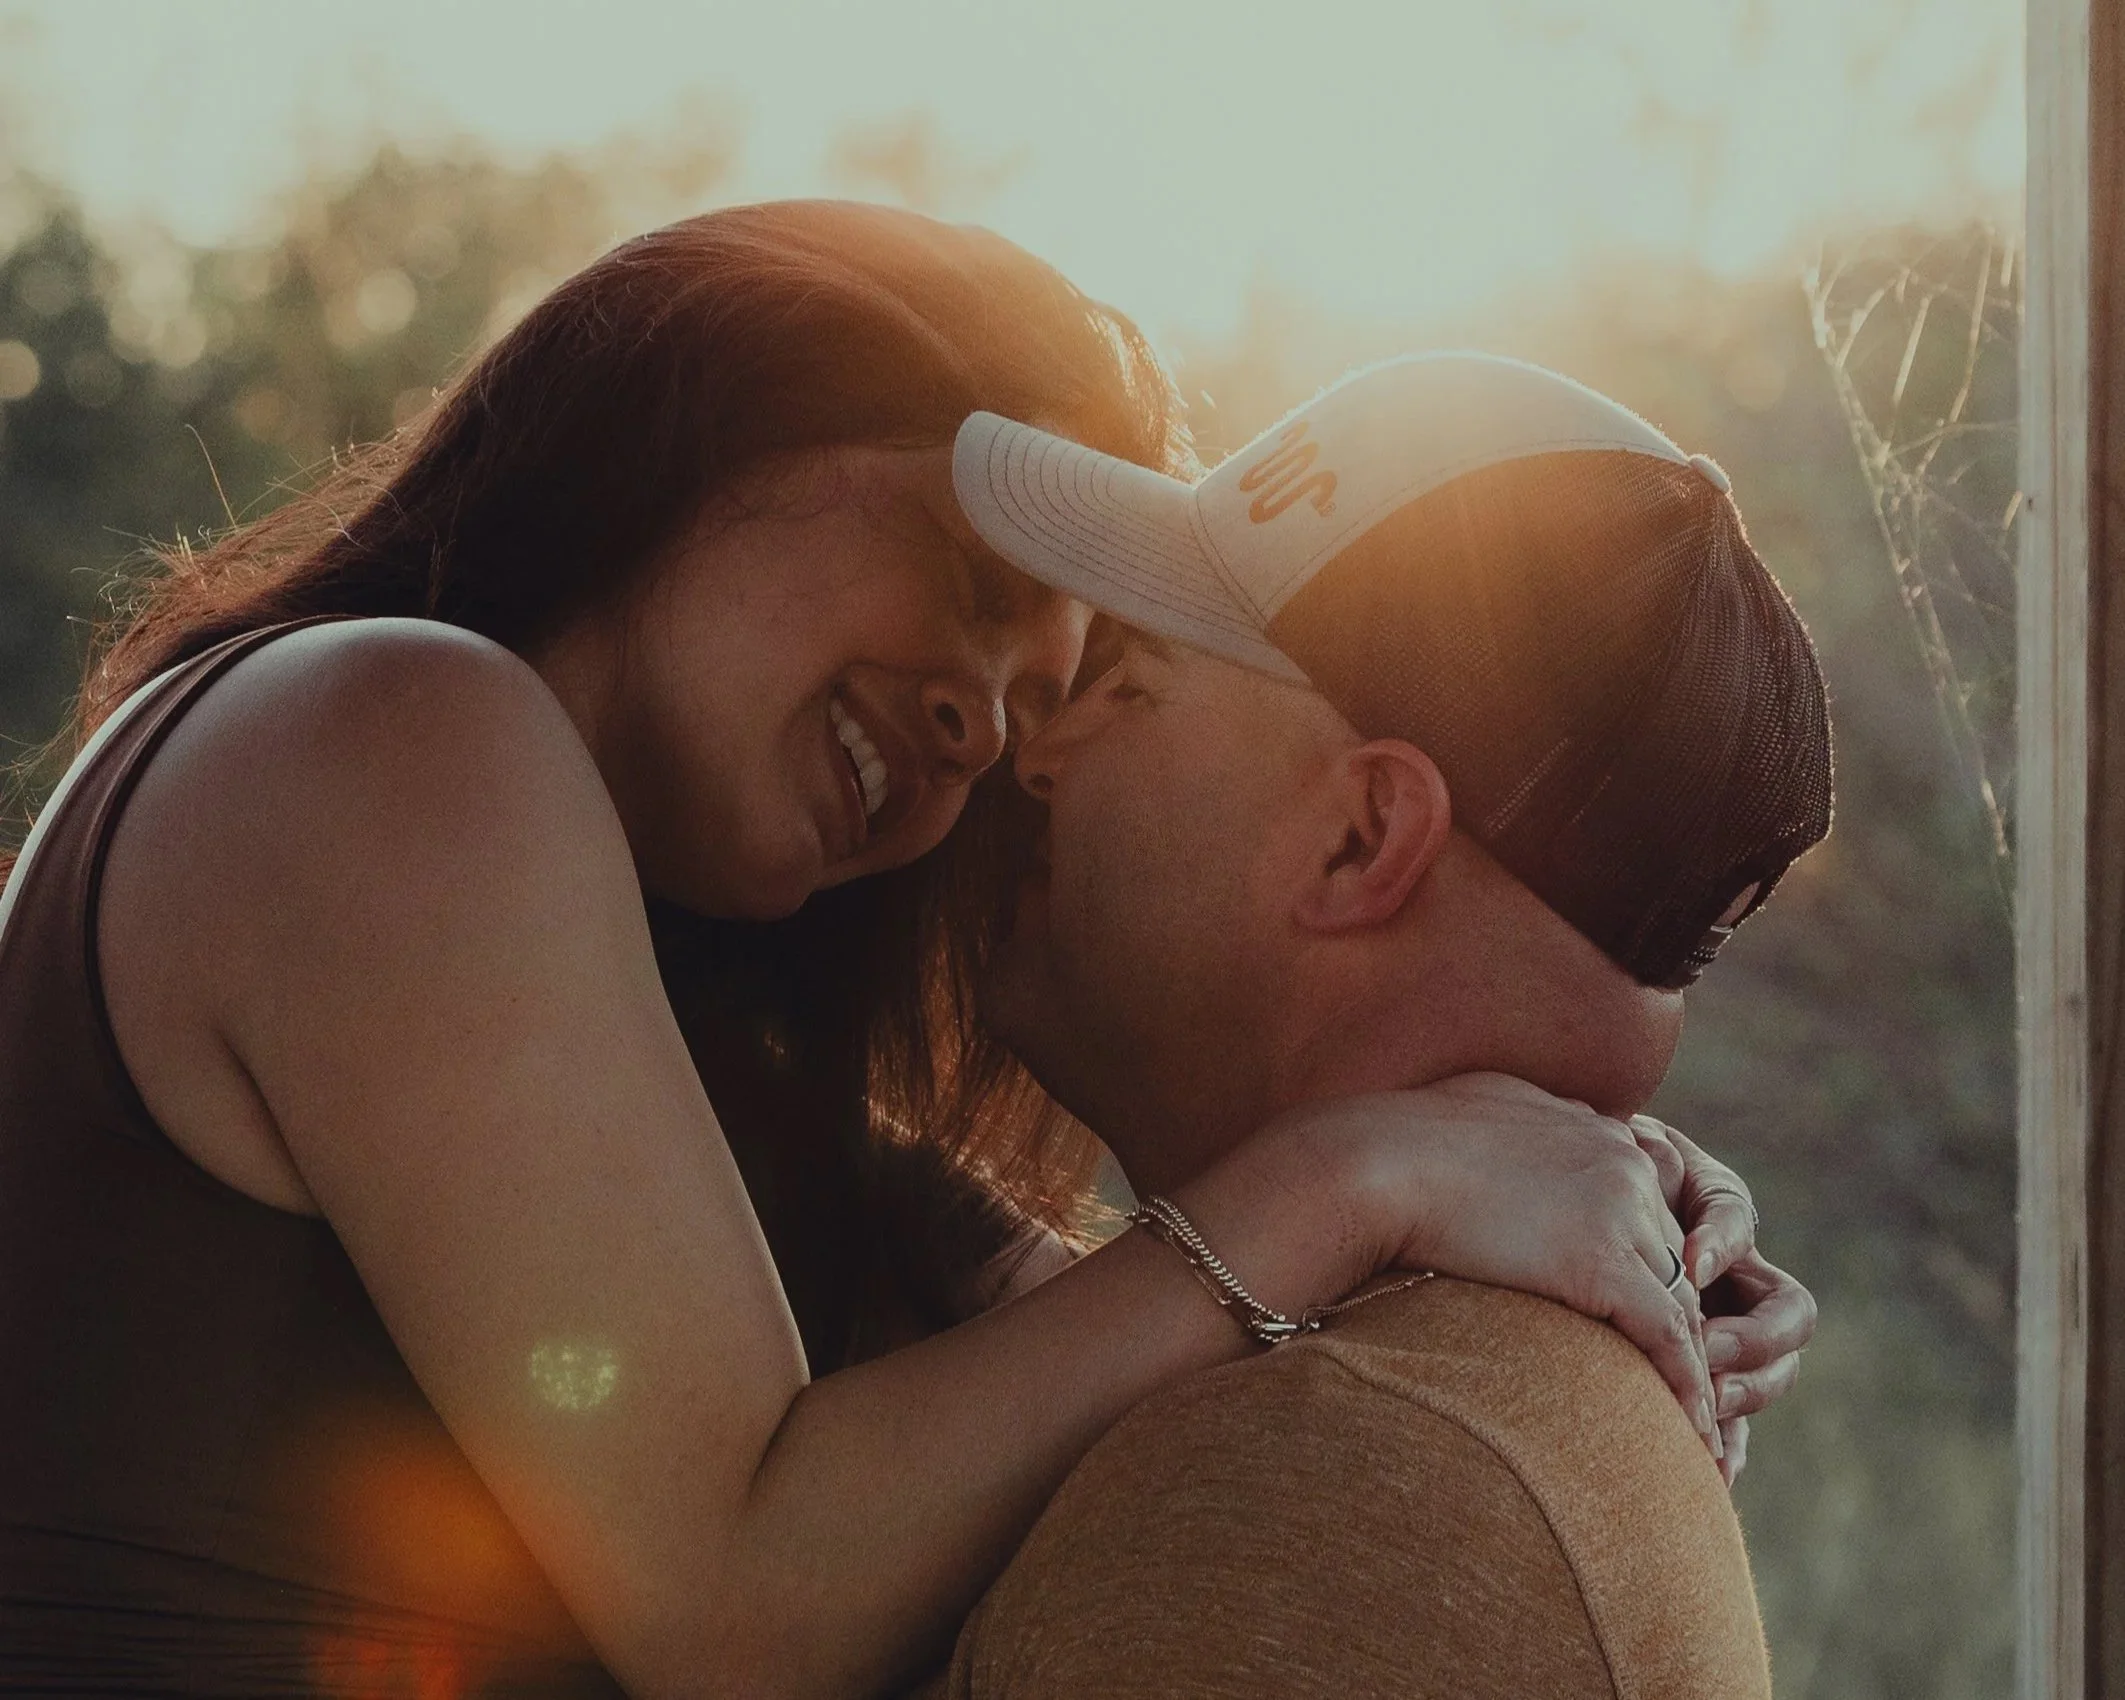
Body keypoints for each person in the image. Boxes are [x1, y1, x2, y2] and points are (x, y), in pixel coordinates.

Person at [0, 208, 1802, 1700]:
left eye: (1055, 686)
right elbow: (738, 1607)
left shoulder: (685, 1057)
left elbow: (1085, 1362)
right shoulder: (392, 736)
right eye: (968, 575)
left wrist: (1596, 1199)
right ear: (727, 412)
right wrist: (1373, 1167)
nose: (992, 734)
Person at [924, 352, 1831, 1698]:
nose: (1040, 755)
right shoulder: (1447, 1378)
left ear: (1361, 839)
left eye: (1133, 682)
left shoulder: (1310, 1491)